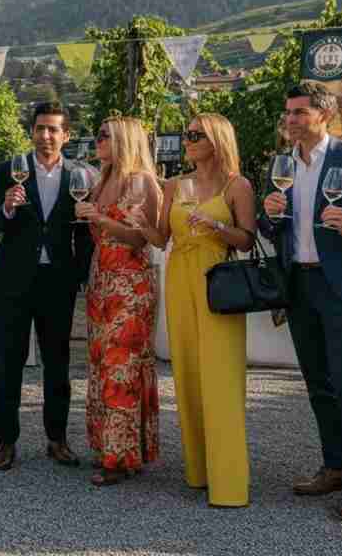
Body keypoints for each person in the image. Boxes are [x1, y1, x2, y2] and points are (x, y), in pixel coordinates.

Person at [258, 82, 342, 520]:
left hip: (340, 286)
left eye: (299, 112)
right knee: (317, 382)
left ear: (324, 115)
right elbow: (271, 226)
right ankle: (337, 466)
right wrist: (269, 215)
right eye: (287, 112)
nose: (290, 120)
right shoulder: (283, 165)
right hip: (299, 284)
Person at [127, 113, 255, 507]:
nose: (188, 140)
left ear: (217, 140)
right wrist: (140, 223)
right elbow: (161, 237)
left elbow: (248, 241)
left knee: (221, 379)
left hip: (218, 281)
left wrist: (214, 227)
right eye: (187, 134)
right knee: (188, 374)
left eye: (196, 135)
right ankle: (199, 471)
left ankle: (229, 483)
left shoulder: (238, 185)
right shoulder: (173, 184)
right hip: (180, 277)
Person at [0, 102, 94, 473]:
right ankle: (6, 442)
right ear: (31, 132)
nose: (45, 136)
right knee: (9, 363)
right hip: (13, 281)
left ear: (66, 136)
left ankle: (57, 439)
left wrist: (79, 275)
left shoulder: (80, 176)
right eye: (39, 129)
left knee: (58, 363)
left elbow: (86, 235)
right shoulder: (10, 170)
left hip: (57, 282)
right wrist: (8, 209)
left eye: (53, 130)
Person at [73, 116, 162, 486]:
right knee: (102, 365)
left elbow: (144, 239)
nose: (98, 141)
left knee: (121, 368)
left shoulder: (142, 181)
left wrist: (100, 221)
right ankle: (110, 449)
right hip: (103, 282)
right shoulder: (101, 179)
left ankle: (119, 458)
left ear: (125, 140)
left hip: (131, 284)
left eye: (105, 136)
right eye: (97, 135)